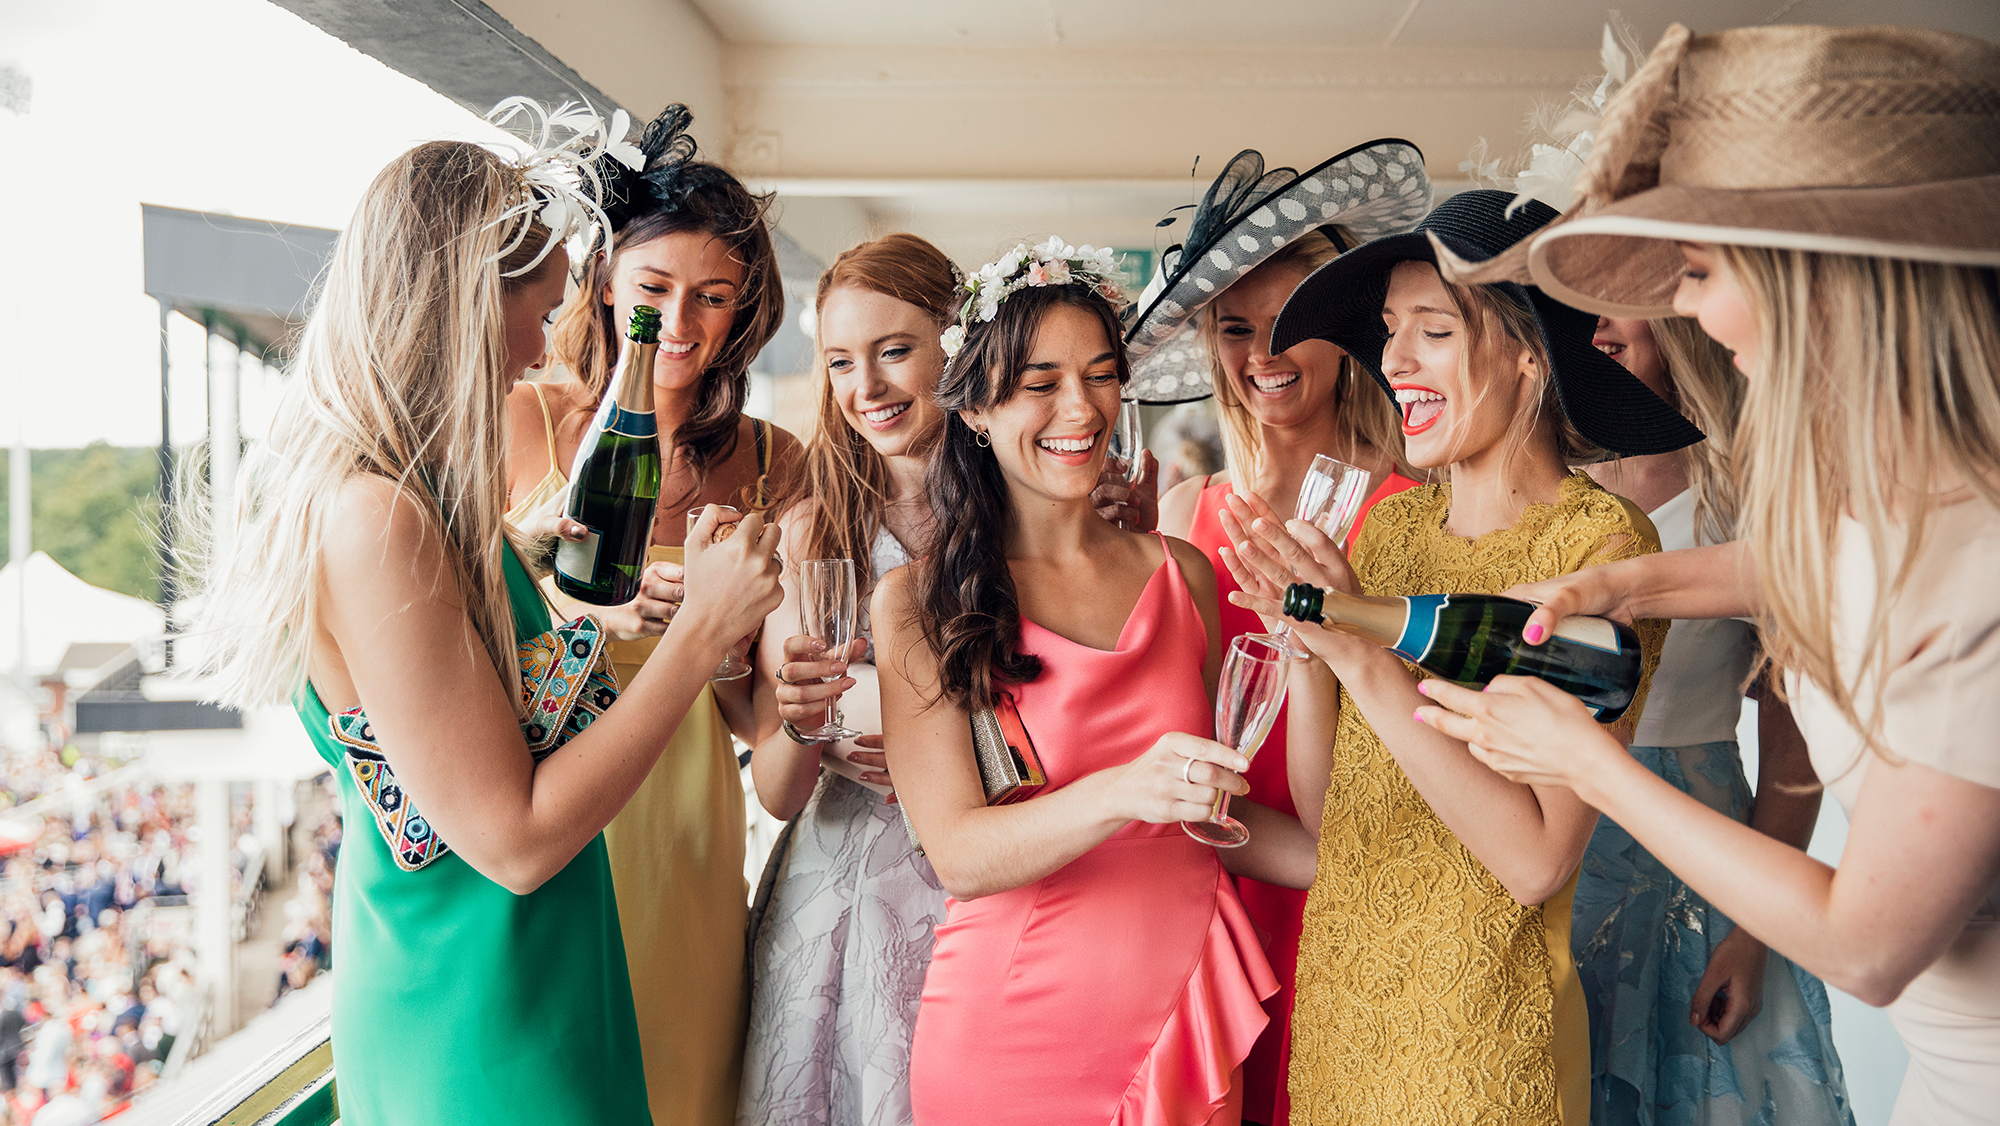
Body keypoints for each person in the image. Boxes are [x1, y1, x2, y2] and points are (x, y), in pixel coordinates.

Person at [1415, 23, 2000, 1126]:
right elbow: (1813, 567)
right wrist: (1616, 590)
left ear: (1820, 281)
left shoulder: (1981, 568)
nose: (1683, 309)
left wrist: (1589, 765)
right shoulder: (1907, 496)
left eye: (1697, 272)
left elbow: (1865, 947)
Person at [184, 109, 783, 1123]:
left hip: (526, 959)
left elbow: (495, 725)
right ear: (459, 302)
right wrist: (696, 635)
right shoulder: (376, 516)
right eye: (539, 312)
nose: (542, 346)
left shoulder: (408, 499)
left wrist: (548, 572)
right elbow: (510, 834)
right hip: (476, 994)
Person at [1221, 188, 1701, 1125]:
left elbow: (1533, 860)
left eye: (1431, 330)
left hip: (1475, 1034)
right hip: (1344, 1017)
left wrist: (1367, 662)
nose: (1392, 359)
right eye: (1392, 330)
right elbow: (1338, 822)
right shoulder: (1390, 526)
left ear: (1529, 355)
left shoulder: (1604, 547)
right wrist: (1316, 650)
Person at [875, 236, 1298, 1125]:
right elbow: (959, 853)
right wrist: (1127, 789)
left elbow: (1218, 813)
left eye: (1101, 375)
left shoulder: (1183, 574)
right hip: (1014, 1034)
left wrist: (1380, 874)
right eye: (1041, 382)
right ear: (980, 408)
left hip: (1186, 1019)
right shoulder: (918, 601)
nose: (1081, 407)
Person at [505, 104, 802, 1126]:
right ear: (604, 287)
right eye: (655, 289)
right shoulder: (523, 419)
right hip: (542, 799)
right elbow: (460, 626)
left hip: (685, 813)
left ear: (741, 313)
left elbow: (754, 715)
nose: (679, 324)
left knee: (679, 1082)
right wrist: (572, 599)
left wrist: (737, 651)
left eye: (711, 298)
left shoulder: (774, 464)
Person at [1128, 141, 1430, 1126]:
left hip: (1354, 886)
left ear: (1344, 333)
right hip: (1214, 890)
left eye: (1290, 326)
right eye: (1234, 328)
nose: (1260, 357)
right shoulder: (1184, 512)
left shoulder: (1409, 513)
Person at [1580, 316, 1851, 1124]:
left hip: (1705, 864)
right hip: (1562, 843)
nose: (1593, 322)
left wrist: (1754, 933)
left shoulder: (1752, 486)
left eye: (1614, 300)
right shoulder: (1547, 477)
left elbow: (1791, 737)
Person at [737, 233, 957, 1126]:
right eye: (840, 362)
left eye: (894, 351)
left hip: (985, 879)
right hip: (841, 895)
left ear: (957, 342)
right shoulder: (807, 533)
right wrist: (796, 723)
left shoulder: (1029, 516)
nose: (866, 388)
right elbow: (778, 795)